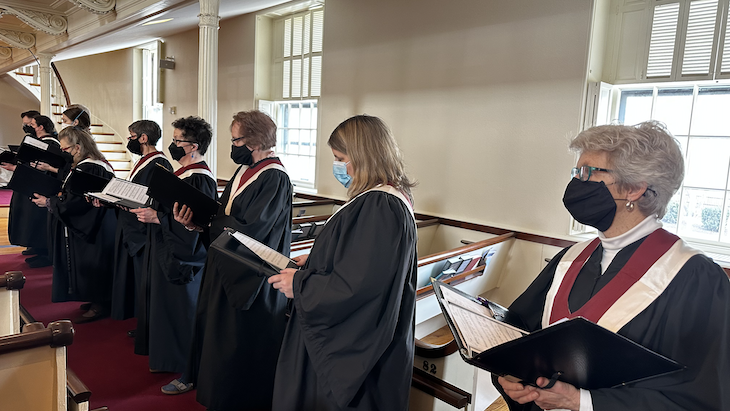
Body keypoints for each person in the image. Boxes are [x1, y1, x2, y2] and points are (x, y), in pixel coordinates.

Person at [494, 121, 730, 411]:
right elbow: (519, 335)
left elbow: (700, 398)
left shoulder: (695, 279)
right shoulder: (570, 258)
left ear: (634, 188)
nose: (576, 183)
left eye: (587, 172)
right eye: (576, 172)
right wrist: (510, 374)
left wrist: (583, 402)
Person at [268, 114, 418, 411]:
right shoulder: (386, 198)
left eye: (340, 158)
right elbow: (364, 259)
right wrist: (316, 258)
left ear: (363, 156)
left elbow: (359, 287)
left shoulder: (380, 205)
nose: (337, 166)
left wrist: (299, 285)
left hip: (354, 356)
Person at [172, 110, 292, 409]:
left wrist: (212, 224)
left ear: (253, 141)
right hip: (225, 262)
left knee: (238, 342)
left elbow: (253, 230)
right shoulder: (245, 171)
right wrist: (197, 222)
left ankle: (236, 398)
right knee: (215, 331)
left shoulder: (274, 177)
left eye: (236, 139)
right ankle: (213, 388)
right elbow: (224, 216)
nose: (233, 145)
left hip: (251, 274)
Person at [129, 116, 217, 375]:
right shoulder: (180, 173)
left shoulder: (199, 178)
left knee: (180, 309)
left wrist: (157, 217)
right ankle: (165, 356)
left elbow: (194, 223)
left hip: (181, 256)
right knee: (163, 306)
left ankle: (183, 365)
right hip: (163, 246)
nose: (173, 144)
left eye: (178, 140)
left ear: (193, 146)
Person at [31, 127, 116, 323]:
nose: (64, 153)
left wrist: (50, 202)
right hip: (96, 225)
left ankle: (100, 304)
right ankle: (95, 299)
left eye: (66, 149)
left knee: (95, 263)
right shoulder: (89, 165)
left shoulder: (90, 168)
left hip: (95, 227)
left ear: (78, 147)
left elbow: (77, 201)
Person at [109, 120, 172, 331]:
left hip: (145, 230)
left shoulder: (159, 163)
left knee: (145, 280)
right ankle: (141, 320)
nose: (130, 140)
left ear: (143, 138)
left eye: (131, 136)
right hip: (133, 225)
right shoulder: (144, 160)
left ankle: (148, 325)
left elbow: (157, 199)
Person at [3, 113, 59, 268]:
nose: (29, 128)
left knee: (38, 220)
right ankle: (36, 246)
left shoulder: (51, 143)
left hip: (40, 187)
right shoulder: (38, 142)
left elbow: (43, 168)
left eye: (32, 125)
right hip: (30, 185)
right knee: (30, 219)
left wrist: (16, 167)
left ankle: (45, 252)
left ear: (41, 127)